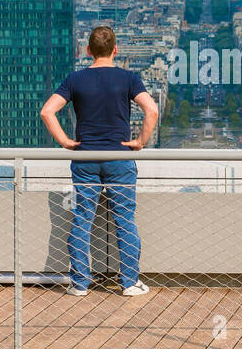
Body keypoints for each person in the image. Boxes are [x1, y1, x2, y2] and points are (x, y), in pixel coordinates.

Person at [40, 26, 159, 298]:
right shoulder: (128, 78)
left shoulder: (75, 79)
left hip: (85, 157)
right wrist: (139, 142)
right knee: (125, 219)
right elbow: (151, 110)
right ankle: (129, 282)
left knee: (83, 217)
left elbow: (47, 112)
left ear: (88, 51)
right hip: (119, 157)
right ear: (115, 50)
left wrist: (66, 142)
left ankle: (80, 283)